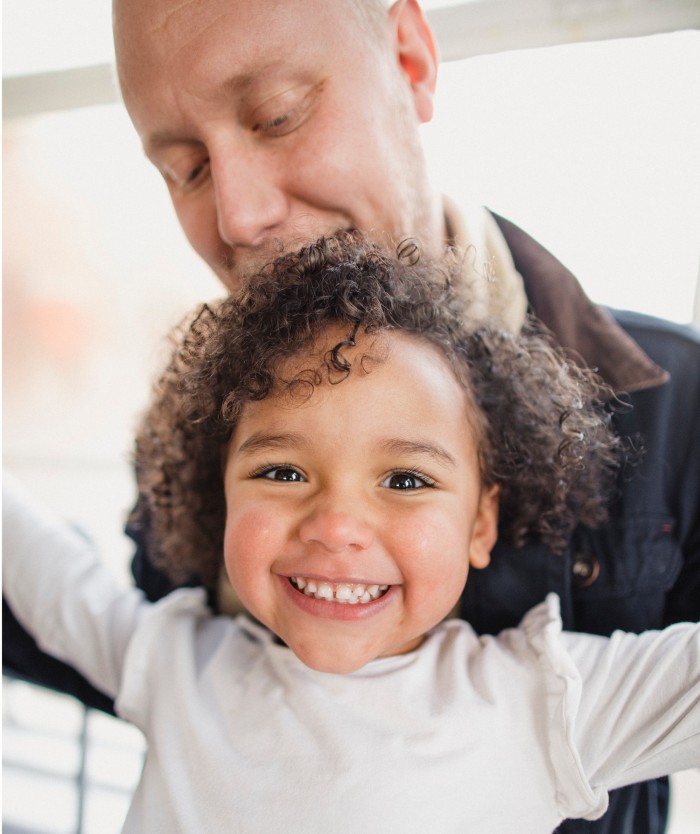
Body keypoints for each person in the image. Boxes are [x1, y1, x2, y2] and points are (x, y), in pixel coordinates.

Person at [3, 1, 699, 832]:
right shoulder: (198, 427)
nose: (237, 216)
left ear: (410, 55)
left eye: (276, 116)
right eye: (186, 167)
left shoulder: (678, 405)